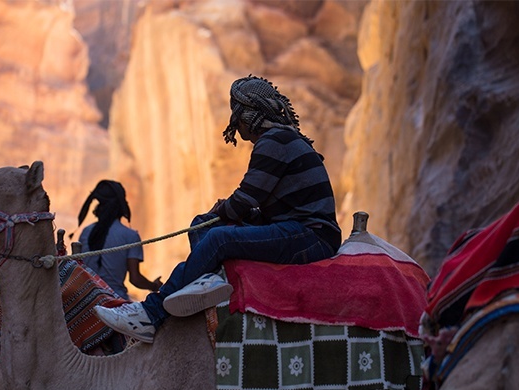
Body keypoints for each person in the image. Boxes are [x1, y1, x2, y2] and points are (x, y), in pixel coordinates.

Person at [94, 75, 341, 343]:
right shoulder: (282, 139)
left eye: (236, 113)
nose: (234, 121)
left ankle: (150, 315)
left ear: (247, 115)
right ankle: (207, 280)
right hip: (297, 229)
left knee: (218, 236)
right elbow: (263, 207)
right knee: (206, 222)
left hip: (309, 236)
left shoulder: (273, 141)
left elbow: (244, 201)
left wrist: (225, 209)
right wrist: (226, 212)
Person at [76, 180, 163, 300]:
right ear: (122, 205)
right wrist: (154, 286)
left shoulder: (86, 232)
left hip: (85, 300)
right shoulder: (130, 236)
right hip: (115, 301)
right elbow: (135, 279)